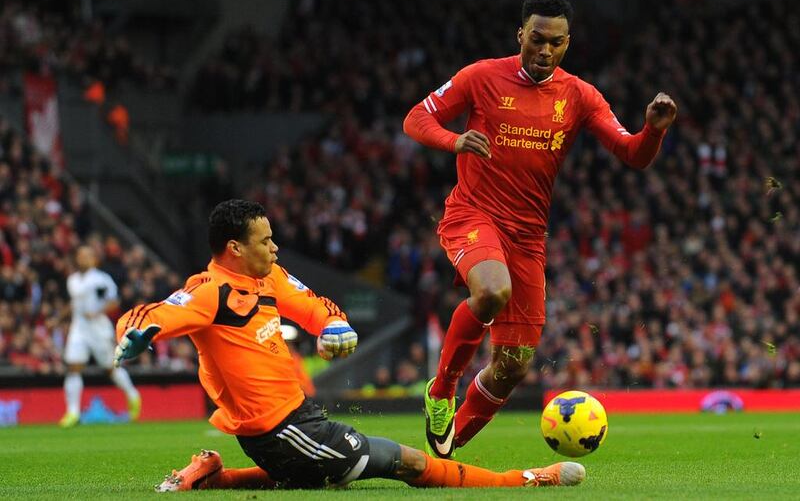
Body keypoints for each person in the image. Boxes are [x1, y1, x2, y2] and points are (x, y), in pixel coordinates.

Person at [114, 199, 585, 491]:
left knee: (311, 478)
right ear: (234, 249)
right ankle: (524, 479)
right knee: (408, 462)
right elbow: (150, 315)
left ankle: (211, 476)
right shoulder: (207, 291)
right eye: (265, 241)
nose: (275, 248)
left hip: (297, 421)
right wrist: (134, 337)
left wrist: (334, 325)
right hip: (279, 431)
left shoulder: (269, 276)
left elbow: (313, 305)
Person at [403, 0, 677, 458]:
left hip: (528, 237)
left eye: (555, 42)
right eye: (536, 39)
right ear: (520, 36)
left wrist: (653, 130)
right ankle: (441, 391)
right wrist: (454, 141)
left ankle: (442, 459)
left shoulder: (579, 95)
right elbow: (417, 118)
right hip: (474, 213)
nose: (544, 50)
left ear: (568, 43)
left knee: (512, 365)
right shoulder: (482, 76)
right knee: (490, 291)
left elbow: (632, 154)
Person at [60, 245, 140, 427]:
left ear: (93, 259)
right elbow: (74, 303)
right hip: (78, 329)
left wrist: (97, 312)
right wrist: (58, 319)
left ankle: (133, 395)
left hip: (98, 330)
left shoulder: (100, 279)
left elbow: (113, 301)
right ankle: (72, 413)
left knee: (110, 368)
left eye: (87, 255)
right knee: (73, 367)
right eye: (81, 255)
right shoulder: (72, 280)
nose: (84, 259)